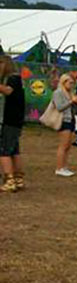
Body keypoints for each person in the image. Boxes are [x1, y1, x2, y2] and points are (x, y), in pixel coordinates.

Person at [0, 55, 25, 192]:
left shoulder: (12, 79)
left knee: (4, 151)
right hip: (15, 120)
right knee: (14, 150)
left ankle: (9, 180)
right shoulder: (17, 79)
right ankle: (18, 178)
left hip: (10, 120)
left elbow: (8, 91)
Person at [52, 73, 77, 177]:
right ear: (64, 82)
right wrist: (71, 101)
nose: (72, 85)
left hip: (71, 119)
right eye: (70, 82)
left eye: (73, 83)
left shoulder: (69, 93)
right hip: (63, 120)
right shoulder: (58, 93)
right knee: (63, 145)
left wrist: (76, 102)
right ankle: (59, 167)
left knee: (68, 145)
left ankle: (64, 166)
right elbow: (59, 107)